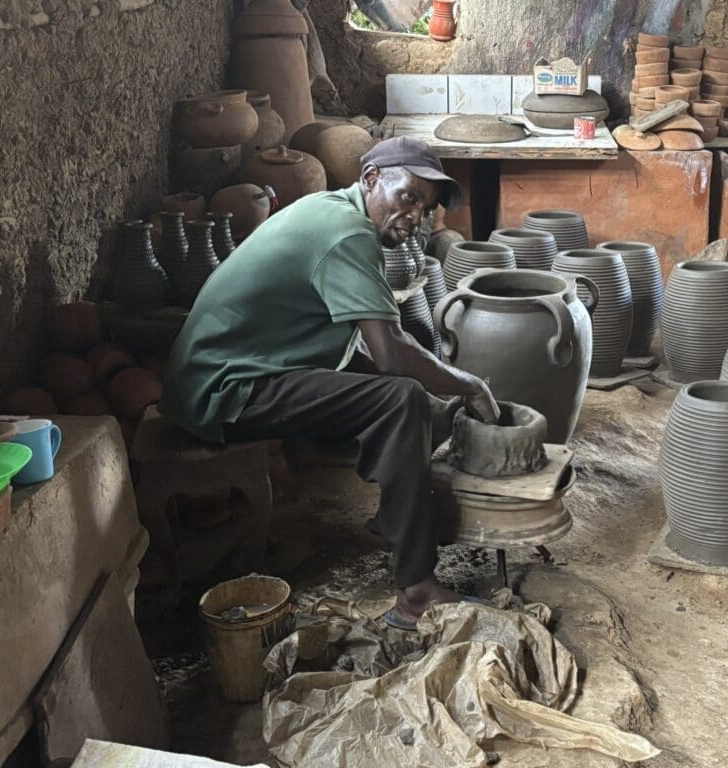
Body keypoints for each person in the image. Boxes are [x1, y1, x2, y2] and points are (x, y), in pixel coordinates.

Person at [160, 136, 500, 629]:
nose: (415, 218)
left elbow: (363, 345)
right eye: (409, 197)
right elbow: (391, 352)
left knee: (408, 397)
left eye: (424, 209)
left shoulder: (333, 209)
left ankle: (395, 516)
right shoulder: (349, 236)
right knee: (402, 398)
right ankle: (418, 594)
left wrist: (437, 399)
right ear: (370, 179)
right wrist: (469, 385)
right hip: (224, 388)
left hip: (237, 369)